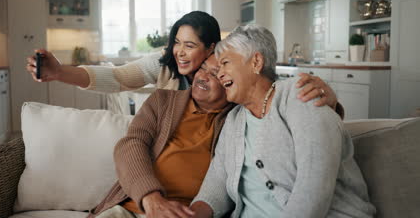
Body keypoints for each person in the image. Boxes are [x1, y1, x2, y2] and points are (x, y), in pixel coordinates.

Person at [190, 24, 376, 218]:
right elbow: (216, 183)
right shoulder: (234, 120)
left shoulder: (301, 95)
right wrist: (192, 213)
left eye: (225, 63)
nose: (219, 74)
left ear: (256, 62)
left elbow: (313, 192)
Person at [26, 11, 339, 109]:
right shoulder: (164, 65)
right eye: (176, 42)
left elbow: (268, 93)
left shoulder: (228, 73)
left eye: (189, 45)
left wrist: (328, 98)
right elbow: (119, 78)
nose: (179, 52)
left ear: (212, 47)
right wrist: (59, 73)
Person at [88, 55, 234, 218]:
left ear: (230, 84)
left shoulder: (235, 121)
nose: (202, 77)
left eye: (214, 74)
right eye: (202, 68)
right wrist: (151, 199)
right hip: (134, 207)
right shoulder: (162, 100)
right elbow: (131, 145)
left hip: (184, 213)